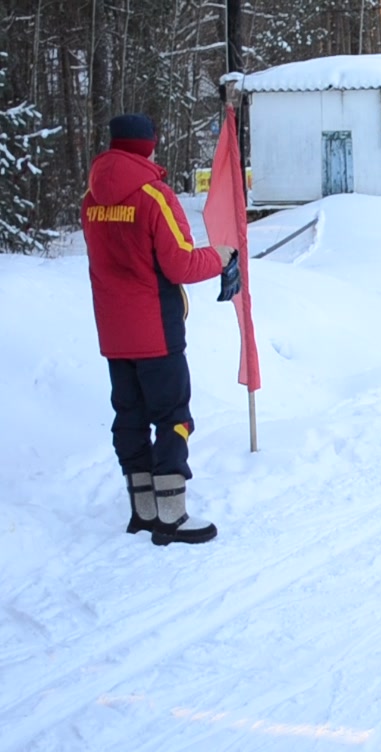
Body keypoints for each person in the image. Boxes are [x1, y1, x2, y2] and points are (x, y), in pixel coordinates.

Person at [82, 113, 235, 546]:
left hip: (113, 330)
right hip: (156, 328)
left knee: (128, 415)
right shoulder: (154, 196)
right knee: (173, 417)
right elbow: (181, 263)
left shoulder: (91, 197)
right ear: (149, 145)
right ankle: (171, 513)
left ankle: (142, 508)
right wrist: (220, 255)